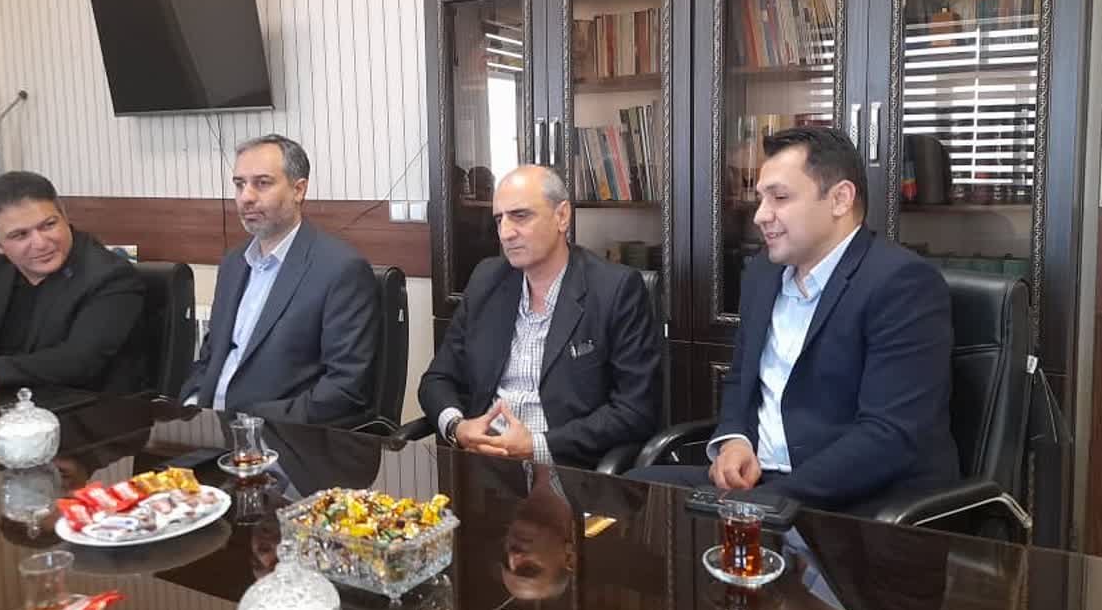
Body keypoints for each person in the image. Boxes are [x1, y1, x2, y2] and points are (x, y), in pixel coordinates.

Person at [631, 126, 958, 514]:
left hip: (858, 497)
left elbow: (889, 436)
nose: (760, 215)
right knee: (635, 492)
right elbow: (740, 379)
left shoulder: (901, 283)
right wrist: (735, 440)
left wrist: (765, 502)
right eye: (761, 198)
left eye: (780, 198)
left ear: (840, 199)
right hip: (762, 483)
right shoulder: (763, 273)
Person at [418, 164, 660, 470]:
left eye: (520, 216)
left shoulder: (615, 289)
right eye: (499, 219)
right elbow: (437, 379)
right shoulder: (486, 280)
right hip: (484, 466)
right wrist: (457, 426)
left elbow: (635, 411)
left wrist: (537, 446)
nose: (506, 233)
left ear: (562, 216)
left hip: (566, 468)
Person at [180, 134, 378, 421]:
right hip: (208, 427)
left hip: (280, 436)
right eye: (239, 184)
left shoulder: (341, 270)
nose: (246, 197)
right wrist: (192, 404)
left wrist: (247, 423)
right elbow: (210, 358)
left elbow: (345, 388)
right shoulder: (233, 263)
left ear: (299, 190)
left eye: (262, 183)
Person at [0, 171, 145, 392]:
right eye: (20, 235)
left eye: (49, 225)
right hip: (4, 411)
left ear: (65, 216)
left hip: (86, 412)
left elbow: (77, 362)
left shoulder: (110, 276)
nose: (40, 243)